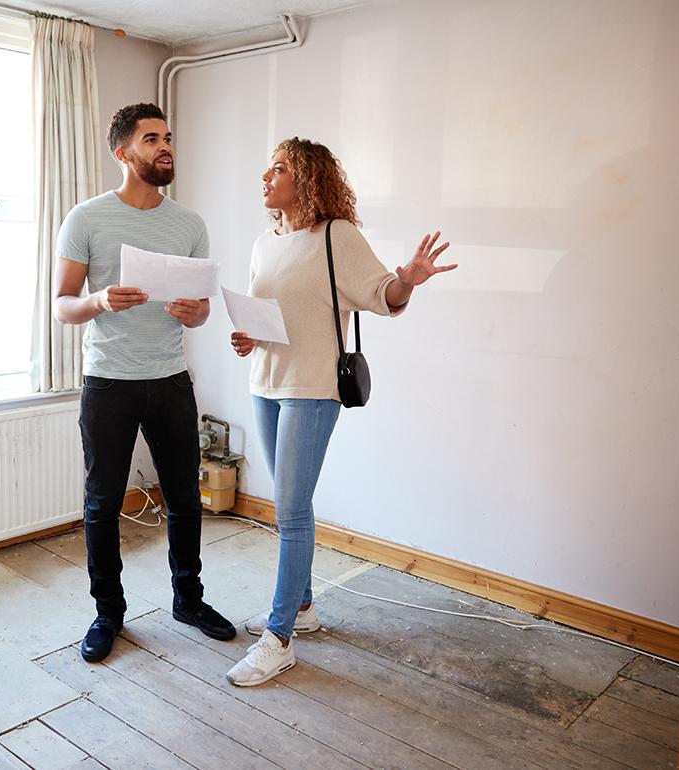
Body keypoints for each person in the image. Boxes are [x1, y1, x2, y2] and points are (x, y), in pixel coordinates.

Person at [225, 137, 457, 686]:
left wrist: (408, 279)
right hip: (265, 382)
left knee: (291, 510)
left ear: (305, 180)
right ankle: (302, 610)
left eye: (278, 169)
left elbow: (384, 294)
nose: (266, 177)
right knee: (288, 508)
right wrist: (247, 337)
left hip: (312, 388)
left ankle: (279, 638)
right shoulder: (264, 242)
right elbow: (274, 315)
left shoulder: (337, 236)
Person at [53, 103, 236, 663]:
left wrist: (193, 313)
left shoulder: (189, 225)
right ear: (122, 153)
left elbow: (203, 310)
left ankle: (189, 600)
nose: (166, 147)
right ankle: (108, 612)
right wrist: (100, 300)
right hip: (109, 383)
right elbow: (63, 306)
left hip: (171, 379)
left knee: (184, 498)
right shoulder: (86, 218)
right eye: (152, 138)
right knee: (102, 503)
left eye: (168, 137)